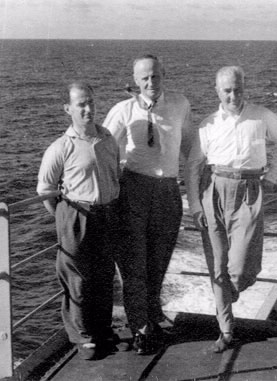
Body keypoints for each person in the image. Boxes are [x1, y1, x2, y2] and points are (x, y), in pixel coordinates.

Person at [186, 66, 277, 353]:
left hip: (249, 190)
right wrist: (195, 204)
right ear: (217, 91)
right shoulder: (208, 124)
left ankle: (228, 295)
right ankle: (226, 330)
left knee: (244, 267)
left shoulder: (261, 116)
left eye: (237, 89)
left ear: (244, 87)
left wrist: (272, 176)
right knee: (217, 266)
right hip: (214, 190)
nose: (233, 95)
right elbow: (194, 166)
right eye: (226, 90)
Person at [103, 54, 195, 355]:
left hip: (168, 191)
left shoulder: (180, 105)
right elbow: (102, 150)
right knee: (134, 265)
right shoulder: (123, 110)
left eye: (155, 76)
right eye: (144, 78)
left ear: (163, 74)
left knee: (158, 261)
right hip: (133, 190)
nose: (151, 82)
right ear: (135, 80)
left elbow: (192, 149)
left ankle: (153, 314)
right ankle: (140, 327)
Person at [37, 82, 121, 360]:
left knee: (104, 275)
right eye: (81, 104)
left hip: (107, 213)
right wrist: (65, 217)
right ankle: (83, 336)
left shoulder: (108, 139)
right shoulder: (61, 147)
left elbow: (115, 175)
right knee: (77, 280)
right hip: (76, 215)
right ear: (68, 109)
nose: (87, 109)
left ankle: (102, 329)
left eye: (91, 103)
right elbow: (45, 189)